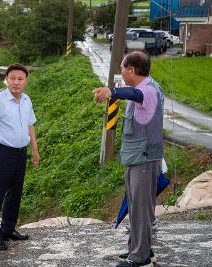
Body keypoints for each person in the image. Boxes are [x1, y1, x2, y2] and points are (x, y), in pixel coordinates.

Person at [93, 51, 164, 267]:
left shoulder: (147, 91)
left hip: (143, 159)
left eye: (123, 68)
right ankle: (140, 249)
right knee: (136, 206)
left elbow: (135, 96)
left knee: (141, 208)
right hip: (136, 157)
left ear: (132, 70)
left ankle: (139, 258)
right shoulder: (144, 87)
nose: (121, 73)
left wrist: (112, 91)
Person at [0, 63, 40, 251]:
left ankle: (8, 229)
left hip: (20, 153)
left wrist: (35, 149)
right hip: (2, 153)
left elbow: (30, 126)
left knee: (15, 193)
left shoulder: (27, 100)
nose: (16, 82)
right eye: (12, 78)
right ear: (6, 80)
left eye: (20, 79)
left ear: (26, 82)